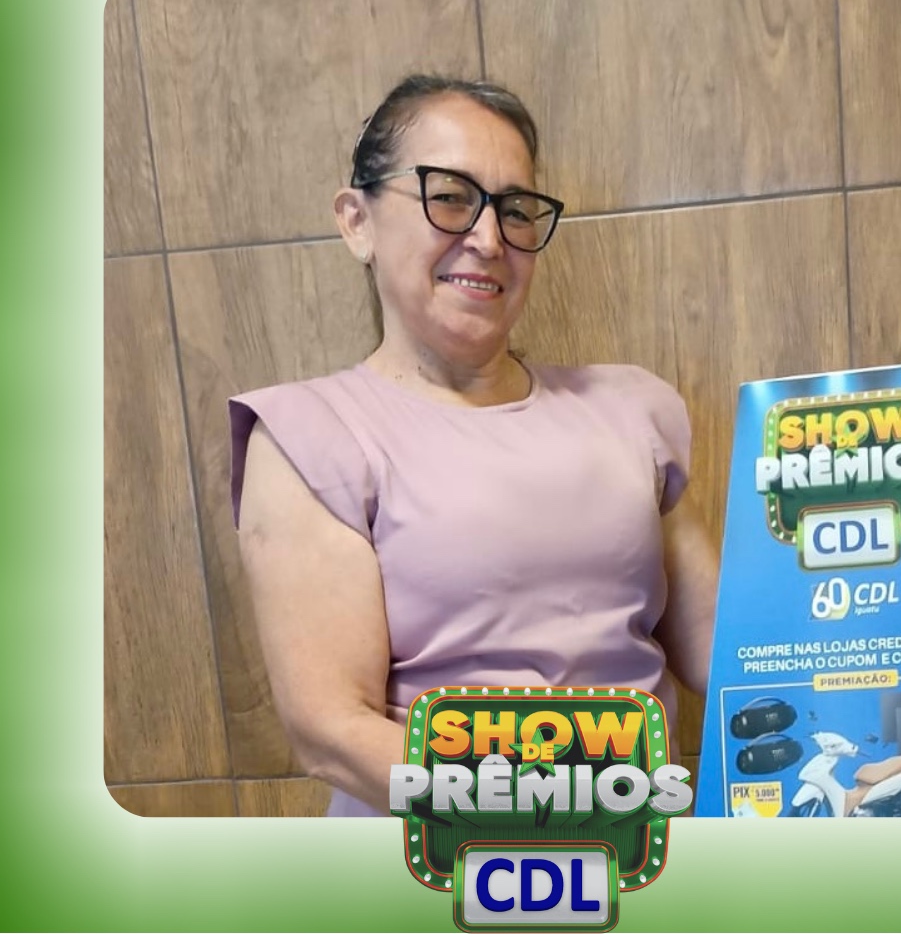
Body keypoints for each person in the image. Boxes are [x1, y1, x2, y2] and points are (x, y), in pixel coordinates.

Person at [229, 75, 719, 816]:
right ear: (358, 222)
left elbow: (728, 655)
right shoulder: (311, 435)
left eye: (515, 210)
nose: (489, 240)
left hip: (634, 855)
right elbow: (332, 732)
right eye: (450, 197)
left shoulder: (631, 410)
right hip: (441, 864)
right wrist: (566, 814)